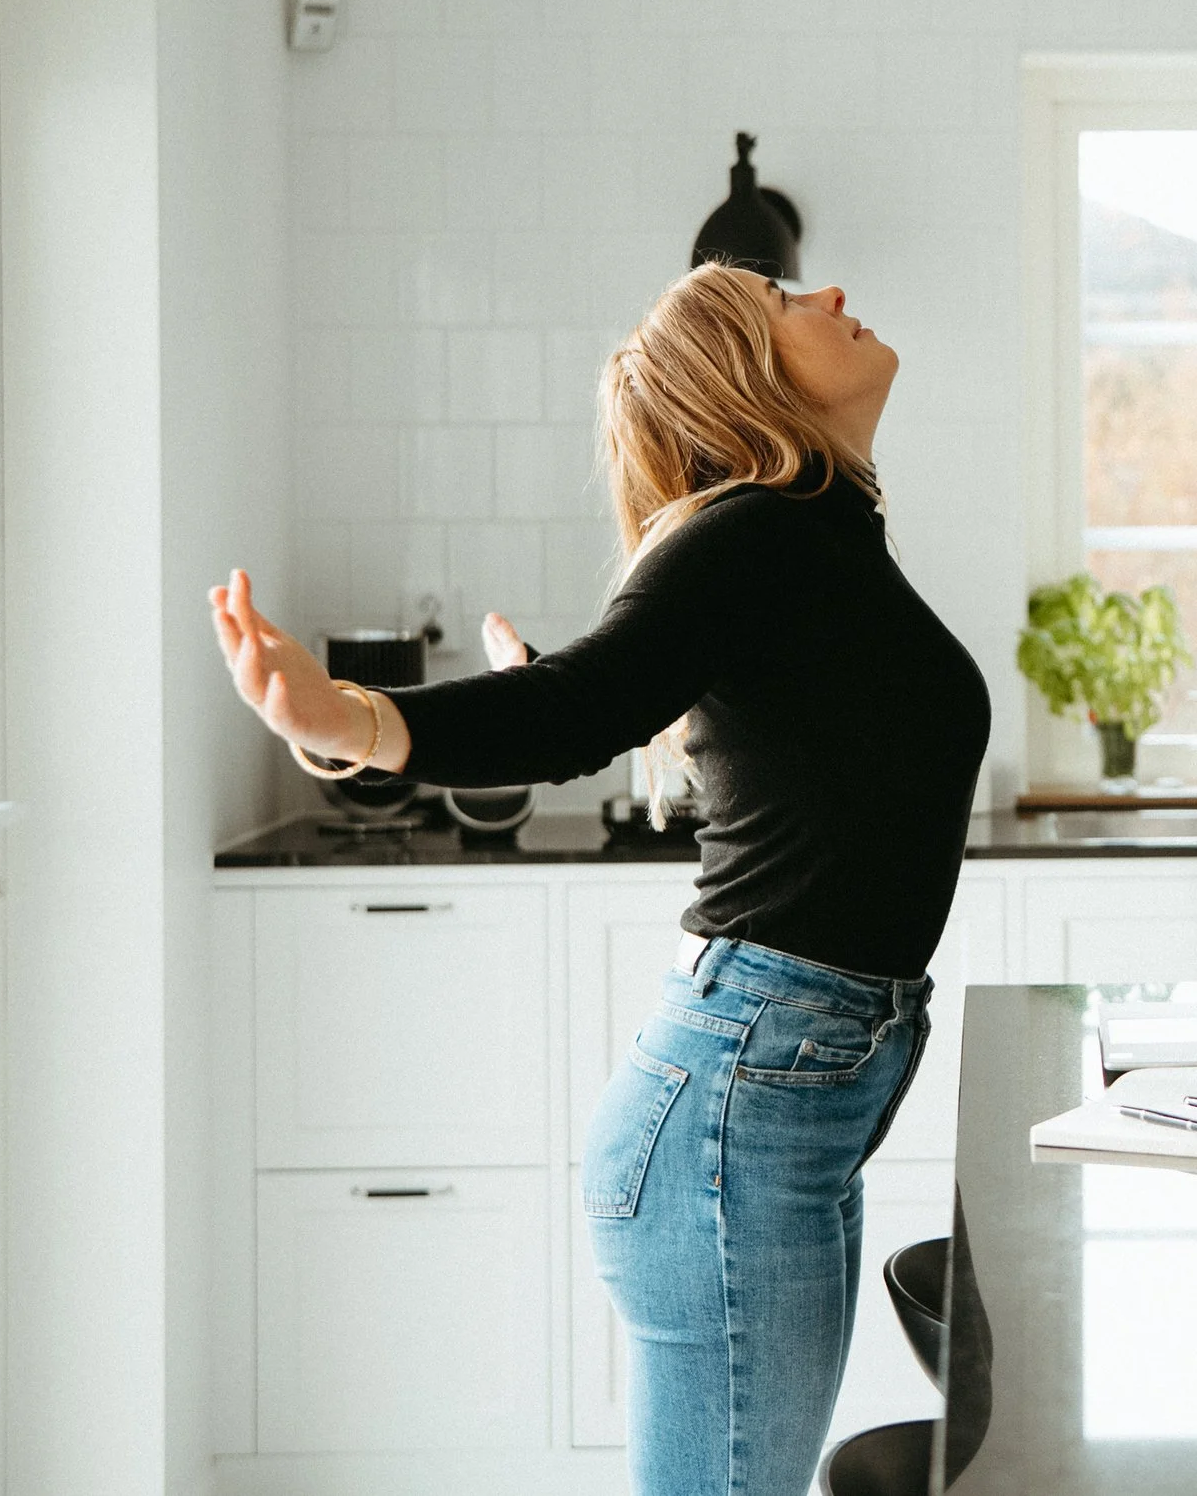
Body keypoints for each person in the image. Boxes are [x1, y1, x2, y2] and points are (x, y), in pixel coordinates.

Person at [209, 263, 990, 1496]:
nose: (830, 289)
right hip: (744, 1099)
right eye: (786, 294)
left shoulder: (816, 542)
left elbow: (755, 728)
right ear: (747, 370)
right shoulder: (750, 530)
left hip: (783, 1096)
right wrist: (344, 719)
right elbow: (574, 709)